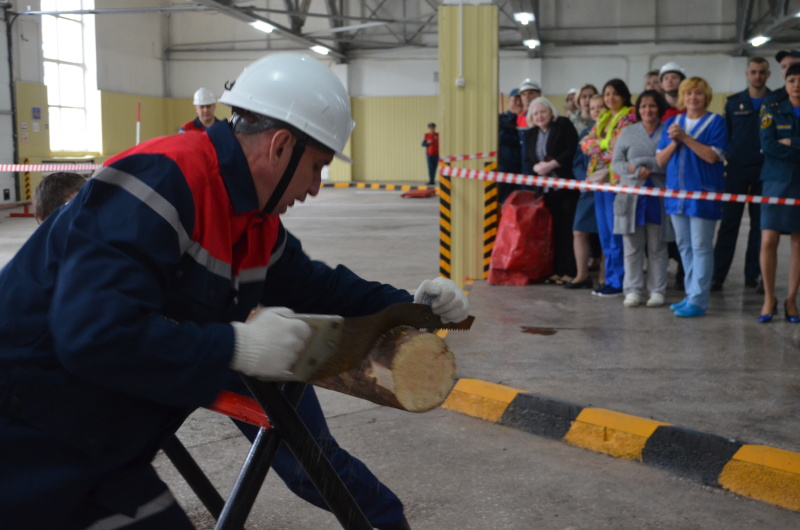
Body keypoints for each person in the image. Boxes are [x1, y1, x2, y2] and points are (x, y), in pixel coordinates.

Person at [0, 53, 469, 529]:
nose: (315, 188)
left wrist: (413, 303)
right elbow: (91, 333)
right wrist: (236, 346)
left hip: (98, 441)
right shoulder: (163, 181)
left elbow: (319, 285)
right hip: (25, 432)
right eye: (316, 167)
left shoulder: (250, 218)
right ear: (280, 146)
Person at [656, 77, 728, 318]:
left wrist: (685, 138)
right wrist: (675, 142)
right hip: (677, 194)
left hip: (703, 193)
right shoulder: (672, 122)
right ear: (682, 97)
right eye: (688, 94)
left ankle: (699, 299)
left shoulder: (715, 122)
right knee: (685, 246)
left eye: (698, 93)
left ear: (705, 96)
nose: (693, 98)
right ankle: (690, 294)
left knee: (701, 246)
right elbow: (660, 160)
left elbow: (711, 157)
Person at [712, 57, 771, 292]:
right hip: (736, 170)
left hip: (765, 171)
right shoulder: (733, 103)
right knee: (728, 224)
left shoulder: (776, 102)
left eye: (762, 72)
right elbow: (725, 137)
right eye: (754, 72)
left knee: (760, 225)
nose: (757, 76)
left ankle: (753, 274)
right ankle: (718, 276)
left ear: (768, 74)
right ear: (747, 74)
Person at [612, 90, 671, 308]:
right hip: (630, 198)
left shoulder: (668, 131)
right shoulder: (627, 132)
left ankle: (657, 290)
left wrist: (642, 163)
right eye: (644, 106)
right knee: (632, 248)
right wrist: (636, 171)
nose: (648, 110)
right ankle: (633, 290)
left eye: (653, 106)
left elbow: (669, 162)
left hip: (658, 197)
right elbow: (616, 164)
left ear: (660, 108)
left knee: (657, 248)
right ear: (638, 109)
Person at [581, 79, 637, 297]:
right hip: (600, 182)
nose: (610, 98)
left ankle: (620, 281)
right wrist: (604, 143)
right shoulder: (604, 117)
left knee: (617, 234)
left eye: (614, 93)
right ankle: (611, 279)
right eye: (606, 94)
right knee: (605, 234)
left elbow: (619, 149)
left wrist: (599, 146)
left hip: (617, 181)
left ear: (623, 95)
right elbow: (585, 144)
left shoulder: (629, 116)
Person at [756, 62, 800, 324]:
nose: (797, 85)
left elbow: (780, 144)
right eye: (792, 80)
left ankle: (791, 299)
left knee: (798, 243)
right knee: (768, 240)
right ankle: (769, 297)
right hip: (775, 181)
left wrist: (792, 142)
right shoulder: (771, 108)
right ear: (786, 83)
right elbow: (768, 145)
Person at [524, 97, 580, 283]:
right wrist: (537, 168)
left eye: (543, 112)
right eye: (536, 113)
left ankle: (570, 271)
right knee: (553, 231)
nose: (540, 116)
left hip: (566, 186)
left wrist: (553, 164)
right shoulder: (531, 134)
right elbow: (528, 159)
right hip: (546, 190)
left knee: (568, 229)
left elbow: (572, 148)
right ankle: (556, 271)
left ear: (551, 112)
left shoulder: (562, 124)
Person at [565, 94, 605, 289]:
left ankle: (605, 276)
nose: (597, 111)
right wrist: (583, 179)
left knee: (607, 233)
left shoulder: (615, 133)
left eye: (601, 107)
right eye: (593, 107)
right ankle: (582, 275)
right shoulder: (586, 133)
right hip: (587, 189)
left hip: (608, 187)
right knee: (579, 231)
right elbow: (577, 161)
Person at [498, 88, 524, 204]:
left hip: (523, 169)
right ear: (509, 101)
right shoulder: (501, 119)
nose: (518, 103)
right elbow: (503, 138)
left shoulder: (529, 119)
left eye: (520, 100)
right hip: (505, 169)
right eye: (515, 100)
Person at [517, 79, 542, 168]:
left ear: (539, 95)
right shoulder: (520, 117)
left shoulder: (544, 116)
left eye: (531, 93)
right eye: (524, 94)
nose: (527, 97)